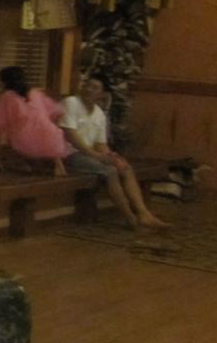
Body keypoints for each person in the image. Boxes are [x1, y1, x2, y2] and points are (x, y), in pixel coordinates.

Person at [59, 73, 169, 230]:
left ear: (102, 94)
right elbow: (70, 136)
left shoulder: (99, 113)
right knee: (110, 171)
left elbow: (100, 143)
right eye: (87, 85)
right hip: (69, 154)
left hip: (89, 154)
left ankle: (144, 214)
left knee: (124, 167)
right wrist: (97, 156)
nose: (88, 90)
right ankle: (129, 217)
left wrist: (110, 155)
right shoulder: (71, 103)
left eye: (94, 88)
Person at [0, 66, 68, 176]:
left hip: (25, 141)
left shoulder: (6, 97)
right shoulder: (36, 93)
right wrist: (53, 127)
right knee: (46, 128)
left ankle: (24, 162)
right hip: (53, 141)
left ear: (4, 82)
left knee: (14, 137)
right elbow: (58, 112)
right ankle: (58, 165)